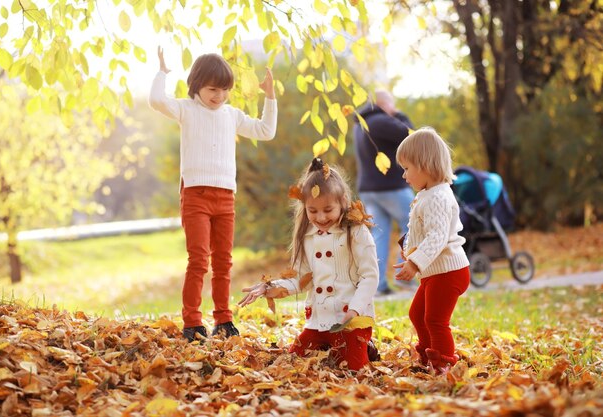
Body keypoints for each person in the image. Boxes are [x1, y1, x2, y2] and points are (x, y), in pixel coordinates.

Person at [149, 46, 278, 342]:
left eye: (224, 90)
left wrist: (269, 97)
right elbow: (156, 100)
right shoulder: (186, 109)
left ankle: (223, 319)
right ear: (196, 85)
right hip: (195, 194)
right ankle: (192, 322)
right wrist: (162, 73)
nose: (218, 96)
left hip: (225, 198)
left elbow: (265, 131)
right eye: (212, 90)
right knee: (198, 260)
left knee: (223, 262)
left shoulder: (231, 115)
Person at [239, 158, 379, 371]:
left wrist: (355, 310)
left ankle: (365, 347)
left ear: (342, 201)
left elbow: (370, 276)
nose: (320, 217)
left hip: (349, 319)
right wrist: (270, 287)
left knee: (350, 369)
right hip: (319, 320)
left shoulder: (356, 232)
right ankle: (332, 347)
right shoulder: (307, 237)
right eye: (312, 211)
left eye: (328, 209)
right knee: (293, 362)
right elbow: (301, 279)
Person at [393, 127, 470, 372]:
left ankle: (443, 365)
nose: (404, 176)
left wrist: (415, 262)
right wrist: (409, 253)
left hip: (449, 271)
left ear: (425, 165)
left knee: (435, 320)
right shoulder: (428, 194)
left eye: (407, 169)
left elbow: (437, 237)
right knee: (418, 314)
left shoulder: (438, 197)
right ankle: (428, 357)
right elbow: (421, 231)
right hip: (434, 272)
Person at [353, 89, 416, 296]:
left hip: (369, 189)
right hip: (390, 187)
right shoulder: (381, 120)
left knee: (378, 236)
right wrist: (399, 115)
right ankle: (404, 278)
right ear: (384, 104)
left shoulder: (360, 124)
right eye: (392, 104)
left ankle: (377, 285)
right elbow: (412, 135)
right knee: (416, 223)